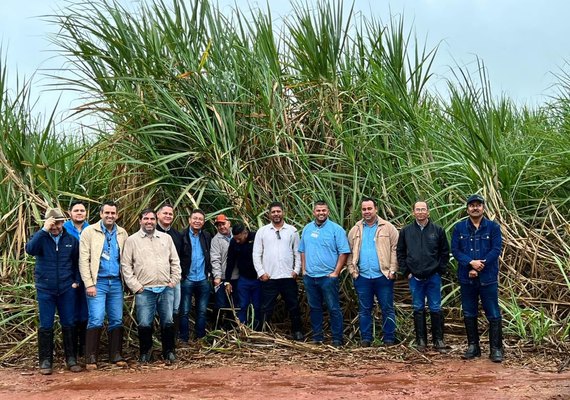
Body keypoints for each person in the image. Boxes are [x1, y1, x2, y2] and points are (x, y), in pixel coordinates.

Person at [26, 208, 83, 374]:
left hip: (67, 288)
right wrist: (44, 230)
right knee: (46, 324)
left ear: (63, 222)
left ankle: (71, 360)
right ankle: (45, 361)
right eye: (52, 224)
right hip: (45, 289)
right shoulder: (41, 238)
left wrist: (76, 282)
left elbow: (77, 263)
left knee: (69, 323)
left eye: (58, 223)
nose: (55, 227)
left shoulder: (71, 240)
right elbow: (30, 250)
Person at [121, 209, 181, 364]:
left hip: (165, 287)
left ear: (156, 220)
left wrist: (173, 281)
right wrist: (136, 286)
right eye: (146, 218)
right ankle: (145, 353)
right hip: (144, 289)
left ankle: (169, 352)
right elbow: (126, 266)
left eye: (152, 219)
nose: (149, 221)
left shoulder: (166, 238)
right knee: (144, 323)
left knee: (167, 321)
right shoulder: (132, 240)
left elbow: (175, 261)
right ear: (140, 221)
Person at [451, 194, 503, 362]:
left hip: (488, 277)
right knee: (469, 312)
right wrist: (470, 263)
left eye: (478, 205)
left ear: (483, 207)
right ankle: (473, 347)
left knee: (493, 313)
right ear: (467, 209)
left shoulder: (493, 227)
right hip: (467, 278)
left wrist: (480, 265)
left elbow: (496, 249)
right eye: (472, 205)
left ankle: (496, 349)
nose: (475, 208)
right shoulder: (459, 228)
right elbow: (456, 250)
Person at [79, 201, 128, 370]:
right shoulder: (89, 232)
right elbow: (84, 260)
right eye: (107, 213)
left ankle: (115, 355)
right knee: (96, 318)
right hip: (97, 282)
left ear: (117, 215)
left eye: (113, 213)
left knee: (116, 319)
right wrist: (89, 284)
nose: (110, 216)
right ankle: (91, 357)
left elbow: (125, 259)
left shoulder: (122, 233)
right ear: (100, 214)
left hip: (115, 282)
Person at [396, 201, 449, 352]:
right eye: (417, 209)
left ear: (428, 212)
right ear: (413, 212)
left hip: (433, 276)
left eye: (423, 209)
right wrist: (406, 272)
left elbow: (444, 252)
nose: (420, 212)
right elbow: (400, 252)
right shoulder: (406, 231)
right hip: (415, 278)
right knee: (418, 308)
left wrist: (440, 270)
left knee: (435, 308)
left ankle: (438, 340)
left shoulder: (437, 230)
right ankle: (421, 341)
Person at [347, 197, 399, 347]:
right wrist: (352, 271)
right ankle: (366, 339)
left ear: (376, 209)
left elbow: (395, 249)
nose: (367, 212)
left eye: (369, 208)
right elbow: (349, 252)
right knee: (364, 310)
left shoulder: (388, 227)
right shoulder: (355, 229)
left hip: (383, 276)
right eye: (364, 209)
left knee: (387, 309)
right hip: (362, 276)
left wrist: (393, 270)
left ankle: (389, 339)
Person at [299, 200, 350, 346]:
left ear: (328, 212)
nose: (321, 213)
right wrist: (304, 270)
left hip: (328, 277)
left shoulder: (336, 229)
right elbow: (302, 250)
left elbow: (344, 252)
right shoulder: (307, 229)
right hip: (310, 277)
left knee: (333, 307)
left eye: (323, 210)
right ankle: (317, 337)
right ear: (314, 212)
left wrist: (336, 272)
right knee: (314, 308)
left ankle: (337, 339)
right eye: (318, 210)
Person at [253, 201, 303, 340]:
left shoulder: (292, 230)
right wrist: (261, 272)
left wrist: (296, 270)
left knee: (293, 306)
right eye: (273, 212)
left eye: (278, 211)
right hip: (270, 277)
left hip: (288, 276)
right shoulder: (262, 231)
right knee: (266, 308)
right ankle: (262, 334)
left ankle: (297, 332)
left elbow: (297, 252)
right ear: (269, 214)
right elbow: (256, 253)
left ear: (283, 212)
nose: (276, 214)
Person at [179, 208, 212, 342]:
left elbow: (210, 254)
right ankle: (184, 338)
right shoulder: (182, 235)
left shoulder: (207, 236)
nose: (197, 221)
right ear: (189, 220)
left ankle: (200, 338)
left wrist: (209, 273)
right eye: (195, 218)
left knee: (202, 311)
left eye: (200, 219)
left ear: (203, 222)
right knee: (184, 311)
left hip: (203, 279)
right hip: (187, 279)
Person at [63, 200, 90, 358]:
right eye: (76, 210)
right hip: (69, 276)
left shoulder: (91, 229)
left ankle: (84, 349)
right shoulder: (63, 228)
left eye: (82, 210)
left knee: (85, 312)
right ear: (70, 213)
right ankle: (71, 351)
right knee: (71, 313)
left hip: (87, 276)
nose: (79, 213)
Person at [155, 204, 184, 338]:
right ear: (158, 215)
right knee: (156, 309)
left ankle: (172, 338)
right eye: (165, 213)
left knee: (175, 308)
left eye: (170, 214)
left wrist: (177, 276)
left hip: (174, 278)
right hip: (155, 279)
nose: (168, 216)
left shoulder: (176, 234)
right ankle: (156, 336)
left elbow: (181, 256)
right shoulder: (151, 231)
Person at [225, 223, 260, 330]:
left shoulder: (256, 238)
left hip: (258, 279)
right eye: (235, 239)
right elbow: (230, 261)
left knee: (257, 306)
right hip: (243, 279)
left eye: (239, 239)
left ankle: (257, 329)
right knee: (242, 305)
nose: (237, 241)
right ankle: (242, 329)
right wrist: (227, 281)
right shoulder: (234, 242)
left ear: (245, 233)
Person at [210, 214, 238, 329]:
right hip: (222, 277)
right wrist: (217, 276)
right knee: (220, 305)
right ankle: (216, 328)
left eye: (223, 224)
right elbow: (215, 259)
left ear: (229, 223)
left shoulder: (237, 234)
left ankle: (232, 328)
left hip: (237, 277)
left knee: (235, 304)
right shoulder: (216, 240)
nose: (221, 227)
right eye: (219, 225)